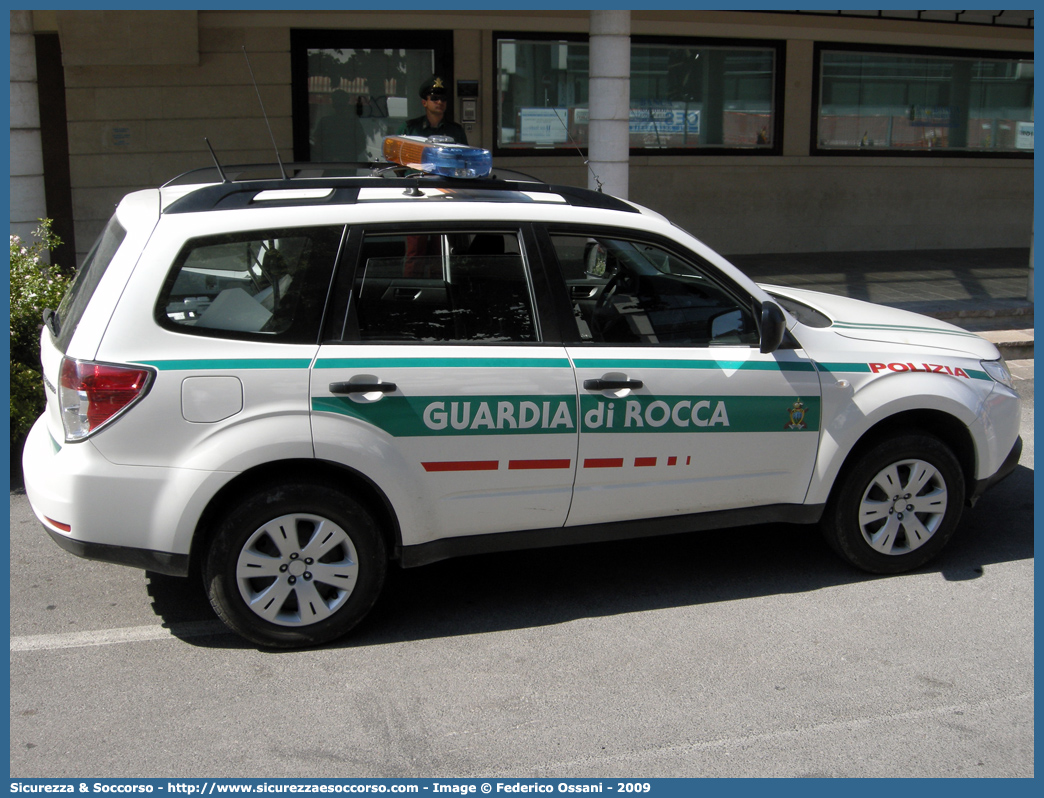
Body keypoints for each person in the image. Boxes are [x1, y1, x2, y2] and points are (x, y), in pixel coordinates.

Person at [399, 77, 468, 145]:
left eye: (443, 98)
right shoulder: (409, 129)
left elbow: (465, 155)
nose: (440, 102)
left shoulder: (456, 131)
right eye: (434, 98)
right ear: (424, 103)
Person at [311, 89, 367, 162]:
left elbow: (317, 144)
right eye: (337, 101)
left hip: (342, 163)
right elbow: (361, 144)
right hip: (341, 163)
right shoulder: (353, 122)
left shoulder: (326, 121)